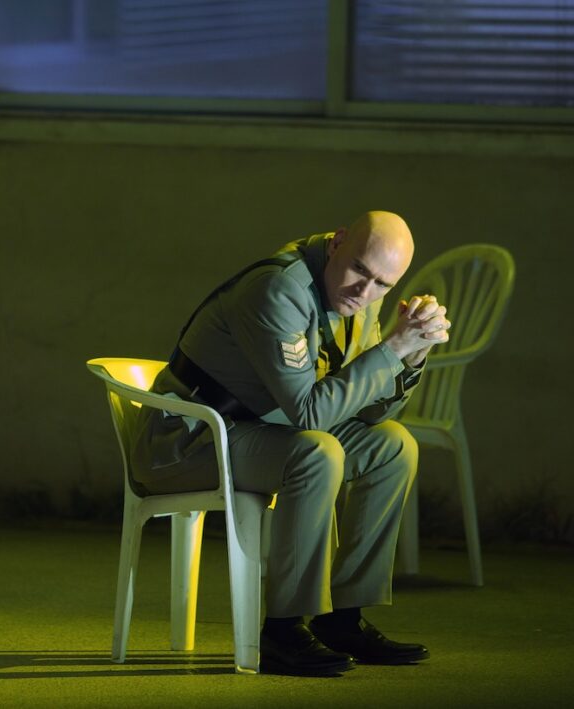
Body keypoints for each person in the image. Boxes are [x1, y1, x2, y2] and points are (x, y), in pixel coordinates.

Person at [131, 211, 449, 676]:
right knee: (316, 452)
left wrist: (412, 355)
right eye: (360, 269)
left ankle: (342, 619)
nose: (364, 292)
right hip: (187, 441)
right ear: (337, 242)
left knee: (392, 446)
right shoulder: (278, 290)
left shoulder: (357, 295)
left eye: (382, 284)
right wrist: (391, 351)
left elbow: (369, 413)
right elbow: (311, 414)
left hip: (258, 429)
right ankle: (283, 631)